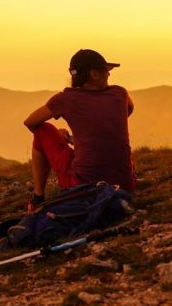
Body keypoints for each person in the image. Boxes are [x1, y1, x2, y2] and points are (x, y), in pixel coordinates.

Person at [23, 49, 135, 210]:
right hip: (125, 185)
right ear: (94, 74)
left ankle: (38, 198)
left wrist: (59, 137)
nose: (109, 75)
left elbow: (30, 122)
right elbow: (127, 111)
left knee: (42, 130)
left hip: (84, 187)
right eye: (106, 71)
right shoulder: (120, 93)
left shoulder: (65, 99)